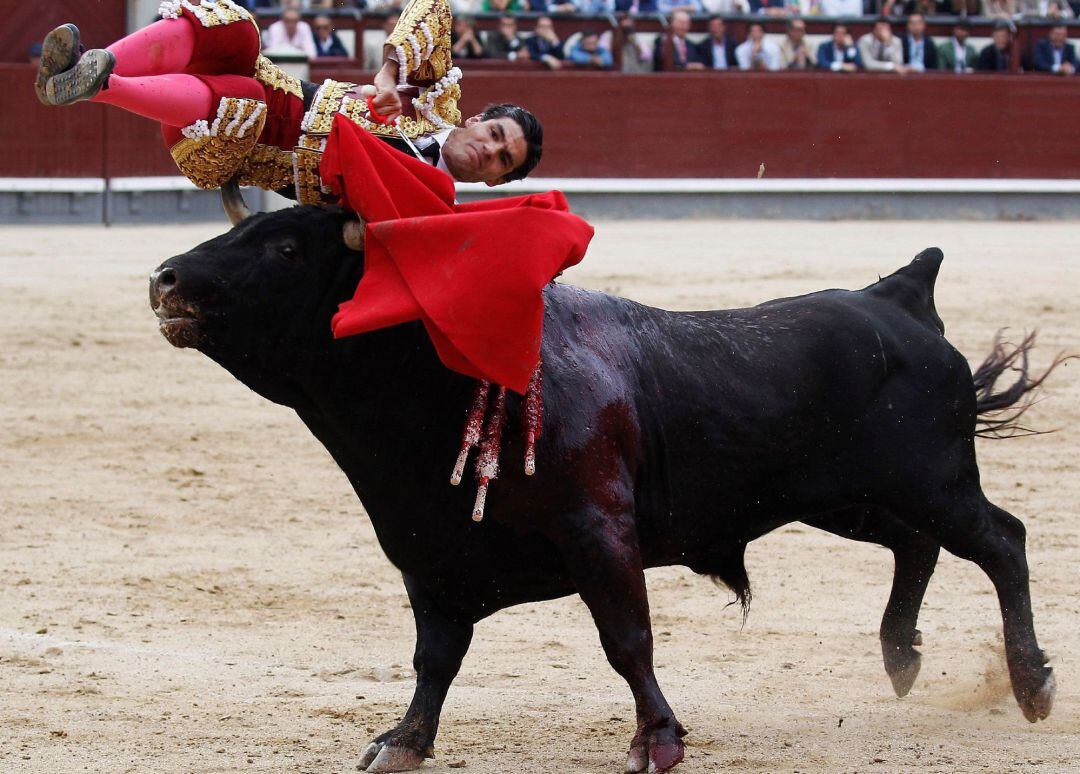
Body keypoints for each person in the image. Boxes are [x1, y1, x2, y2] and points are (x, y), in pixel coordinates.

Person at [37, 0, 542, 203]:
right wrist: (390, 73)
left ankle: (100, 85)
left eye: (502, 161)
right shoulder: (437, 103)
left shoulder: (436, 201)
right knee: (233, 24)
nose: (487, 151)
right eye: (495, 136)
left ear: (495, 180)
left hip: (229, 145)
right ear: (478, 119)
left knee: (247, 101)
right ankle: (83, 66)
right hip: (269, 84)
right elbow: (434, 5)